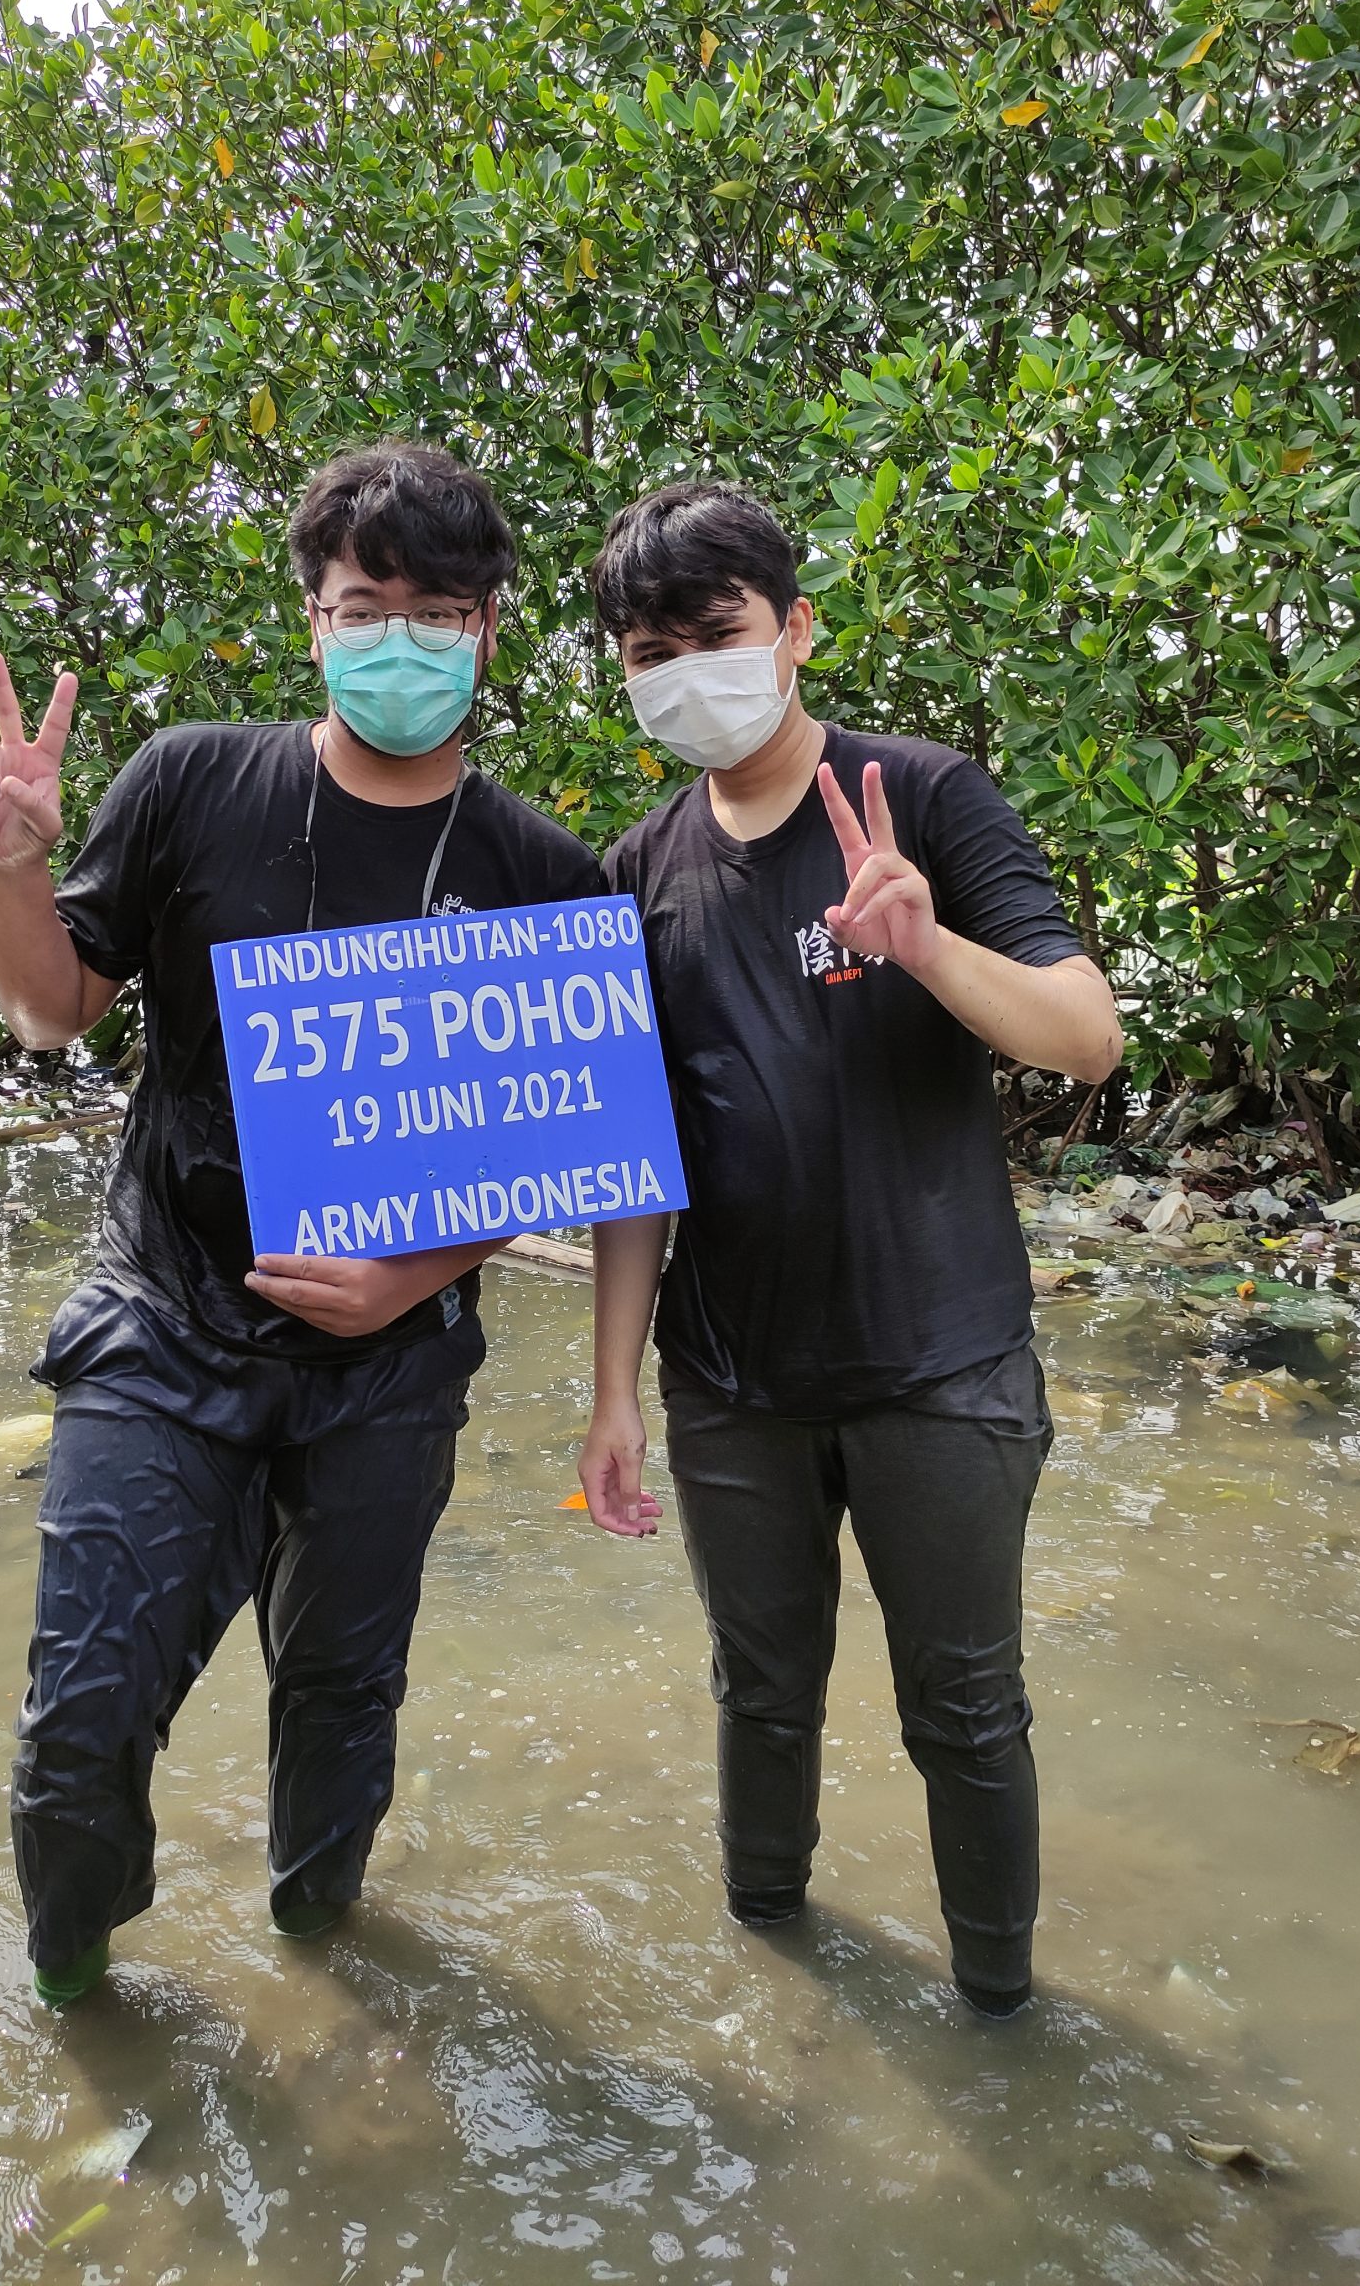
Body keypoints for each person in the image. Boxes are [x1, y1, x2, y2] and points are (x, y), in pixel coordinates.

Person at [0, 442, 603, 2005]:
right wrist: (9, 867)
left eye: (438, 610)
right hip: (164, 1319)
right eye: (364, 603)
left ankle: (321, 1961)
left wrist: (411, 1283)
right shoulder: (190, 778)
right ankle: (75, 2000)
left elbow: (564, 1160)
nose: (401, 638)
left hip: (391, 1370)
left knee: (338, 1696)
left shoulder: (539, 871)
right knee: (82, 1710)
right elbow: (52, 1012)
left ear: (488, 631)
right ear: (311, 620)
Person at [577, 483, 1122, 2019]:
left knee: (962, 1710)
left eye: (717, 632)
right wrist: (614, 1394)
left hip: (939, 1366)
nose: (689, 667)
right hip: (732, 1380)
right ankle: (773, 1973)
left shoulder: (926, 798)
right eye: (648, 647)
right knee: (761, 1695)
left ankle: (1001, 2024)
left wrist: (926, 944)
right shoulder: (634, 872)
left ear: (795, 627)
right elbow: (636, 1173)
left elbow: (1085, 1041)